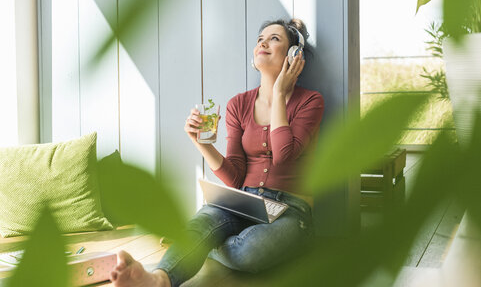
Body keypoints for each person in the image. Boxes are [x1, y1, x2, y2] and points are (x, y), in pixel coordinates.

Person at [110, 18, 324, 287]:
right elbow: (234, 178)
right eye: (260, 38)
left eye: (274, 38)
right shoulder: (239, 104)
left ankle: (198, 245)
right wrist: (200, 143)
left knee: (246, 252)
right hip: (243, 202)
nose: (263, 42)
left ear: (294, 56)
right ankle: (158, 280)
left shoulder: (310, 101)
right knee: (204, 223)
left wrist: (280, 93)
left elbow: (283, 155)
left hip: (291, 211)